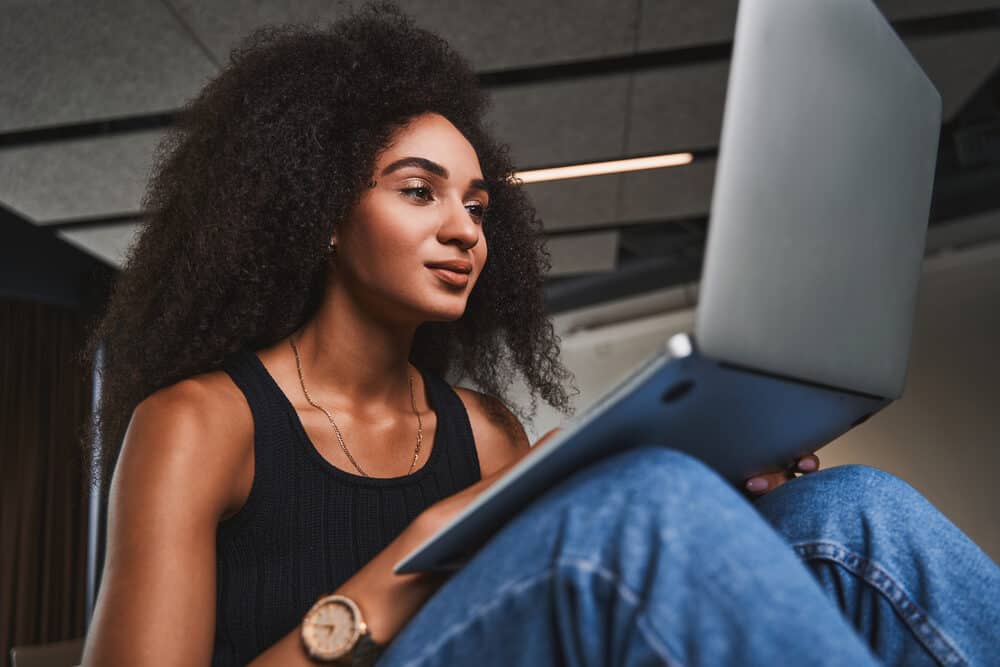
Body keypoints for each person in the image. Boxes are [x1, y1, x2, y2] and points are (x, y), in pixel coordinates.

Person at [80, 4, 1000, 666]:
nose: (464, 228)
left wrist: (716, 492)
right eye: (418, 190)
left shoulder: (483, 432)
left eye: (478, 205)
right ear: (323, 212)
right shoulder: (199, 422)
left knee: (851, 509)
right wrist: (427, 547)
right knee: (638, 506)